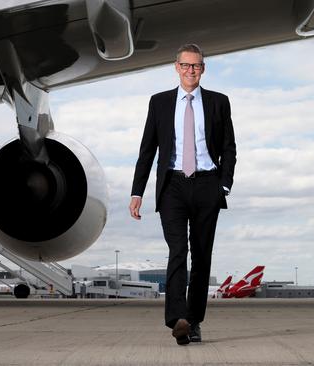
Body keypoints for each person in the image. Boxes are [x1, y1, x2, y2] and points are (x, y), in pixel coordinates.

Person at [129, 43, 236, 345]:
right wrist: (137, 192)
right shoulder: (159, 102)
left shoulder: (219, 102)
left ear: (203, 69)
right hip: (172, 186)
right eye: (186, 65)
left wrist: (223, 185)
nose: (191, 71)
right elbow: (147, 150)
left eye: (197, 66)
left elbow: (229, 147)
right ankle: (177, 319)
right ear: (176, 67)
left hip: (207, 185)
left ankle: (194, 320)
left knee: (202, 257)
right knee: (178, 252)